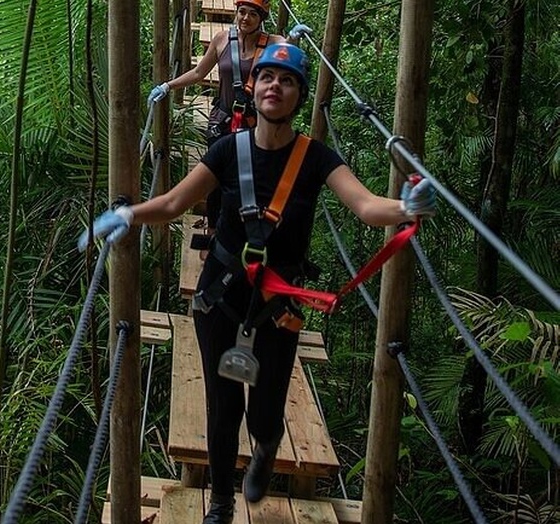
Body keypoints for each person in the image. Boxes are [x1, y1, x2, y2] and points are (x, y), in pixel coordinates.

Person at [81, 43, 436, 524]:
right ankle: (221, 504)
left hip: (277, 305)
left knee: (265, 413)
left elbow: (366, 206)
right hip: (219, 297)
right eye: (268, 77)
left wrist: (404, 209)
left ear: (298, 96)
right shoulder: (227, 150)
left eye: (287, 81)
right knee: (222, 407)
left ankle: (266, 449)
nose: (275, 86)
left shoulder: (316, 159)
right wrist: (128, 215)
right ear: (253, 87)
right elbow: (172, 204)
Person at [147, 0, 312, 244]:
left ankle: (243, 237)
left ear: (262, 17)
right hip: (222, 121)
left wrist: (294, 40)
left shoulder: (274, 42)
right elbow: (198, 73)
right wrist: (167, 86)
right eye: (242, 12)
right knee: (216, 181)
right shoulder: (222, 40)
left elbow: (288, 57)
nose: (245, 18)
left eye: (252, 14)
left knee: (247, 182)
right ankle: (214, 236)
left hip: (254, 125)